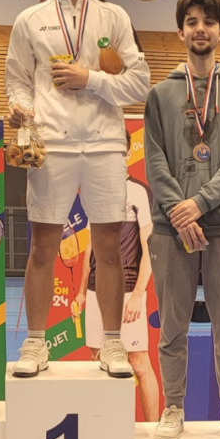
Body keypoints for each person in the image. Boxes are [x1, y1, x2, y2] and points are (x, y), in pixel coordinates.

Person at [6, 0, 150, 379]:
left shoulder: (115, 17)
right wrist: (20, 108)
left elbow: (141, 85)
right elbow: (18, 82)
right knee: (43, 247)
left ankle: (111, 343)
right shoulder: (30, 21)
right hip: (52, 146)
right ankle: (34, 343)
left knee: (109, 248)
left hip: (107, 144)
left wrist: (90, 79)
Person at [144, 0, 220, 439]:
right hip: (172, 230)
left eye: (208, 22)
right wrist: (179, 209)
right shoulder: (160, 94)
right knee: (173, 326)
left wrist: (200, 203)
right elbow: (154, 159)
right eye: (192, 22)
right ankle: (173, 407)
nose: (200, 29)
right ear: (180, 32)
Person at [74, 131, 160, 420]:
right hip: (97, 292)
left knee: (138, 363)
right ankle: (104, 432)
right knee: (98, 361)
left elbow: (150, 249)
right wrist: (82, 290)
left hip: (127, 293)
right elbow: (89, 247)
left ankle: (151, 433)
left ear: (126, 153)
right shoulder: (94, 191)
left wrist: (138, 295)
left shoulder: (139, 192)